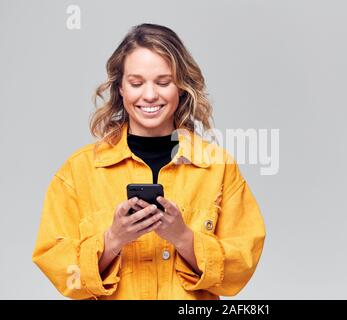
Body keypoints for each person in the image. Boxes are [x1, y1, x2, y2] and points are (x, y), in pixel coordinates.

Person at [32, 23, 265, 300]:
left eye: (163, 82)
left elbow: (242, 265)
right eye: (136, 83)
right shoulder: (78, 171)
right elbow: (59, 268)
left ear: (181, 87)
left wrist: (183, 238)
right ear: (120, 88)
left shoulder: (217, 168)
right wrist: (113, 240)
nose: (150, 95)